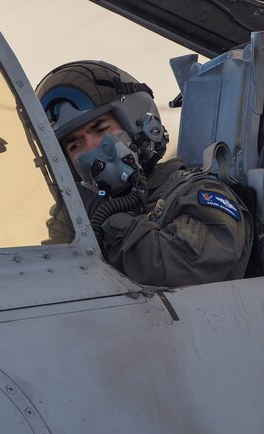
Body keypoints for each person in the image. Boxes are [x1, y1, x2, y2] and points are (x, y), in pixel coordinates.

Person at [37, 60, 252, 287]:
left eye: (100, 130)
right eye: (75, 145)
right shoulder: (80, 217)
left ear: (140, 126)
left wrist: (109, 222)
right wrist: (74, 220)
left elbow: (186, 268)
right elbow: (48, 282)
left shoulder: (198, 193)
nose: (92, 149)